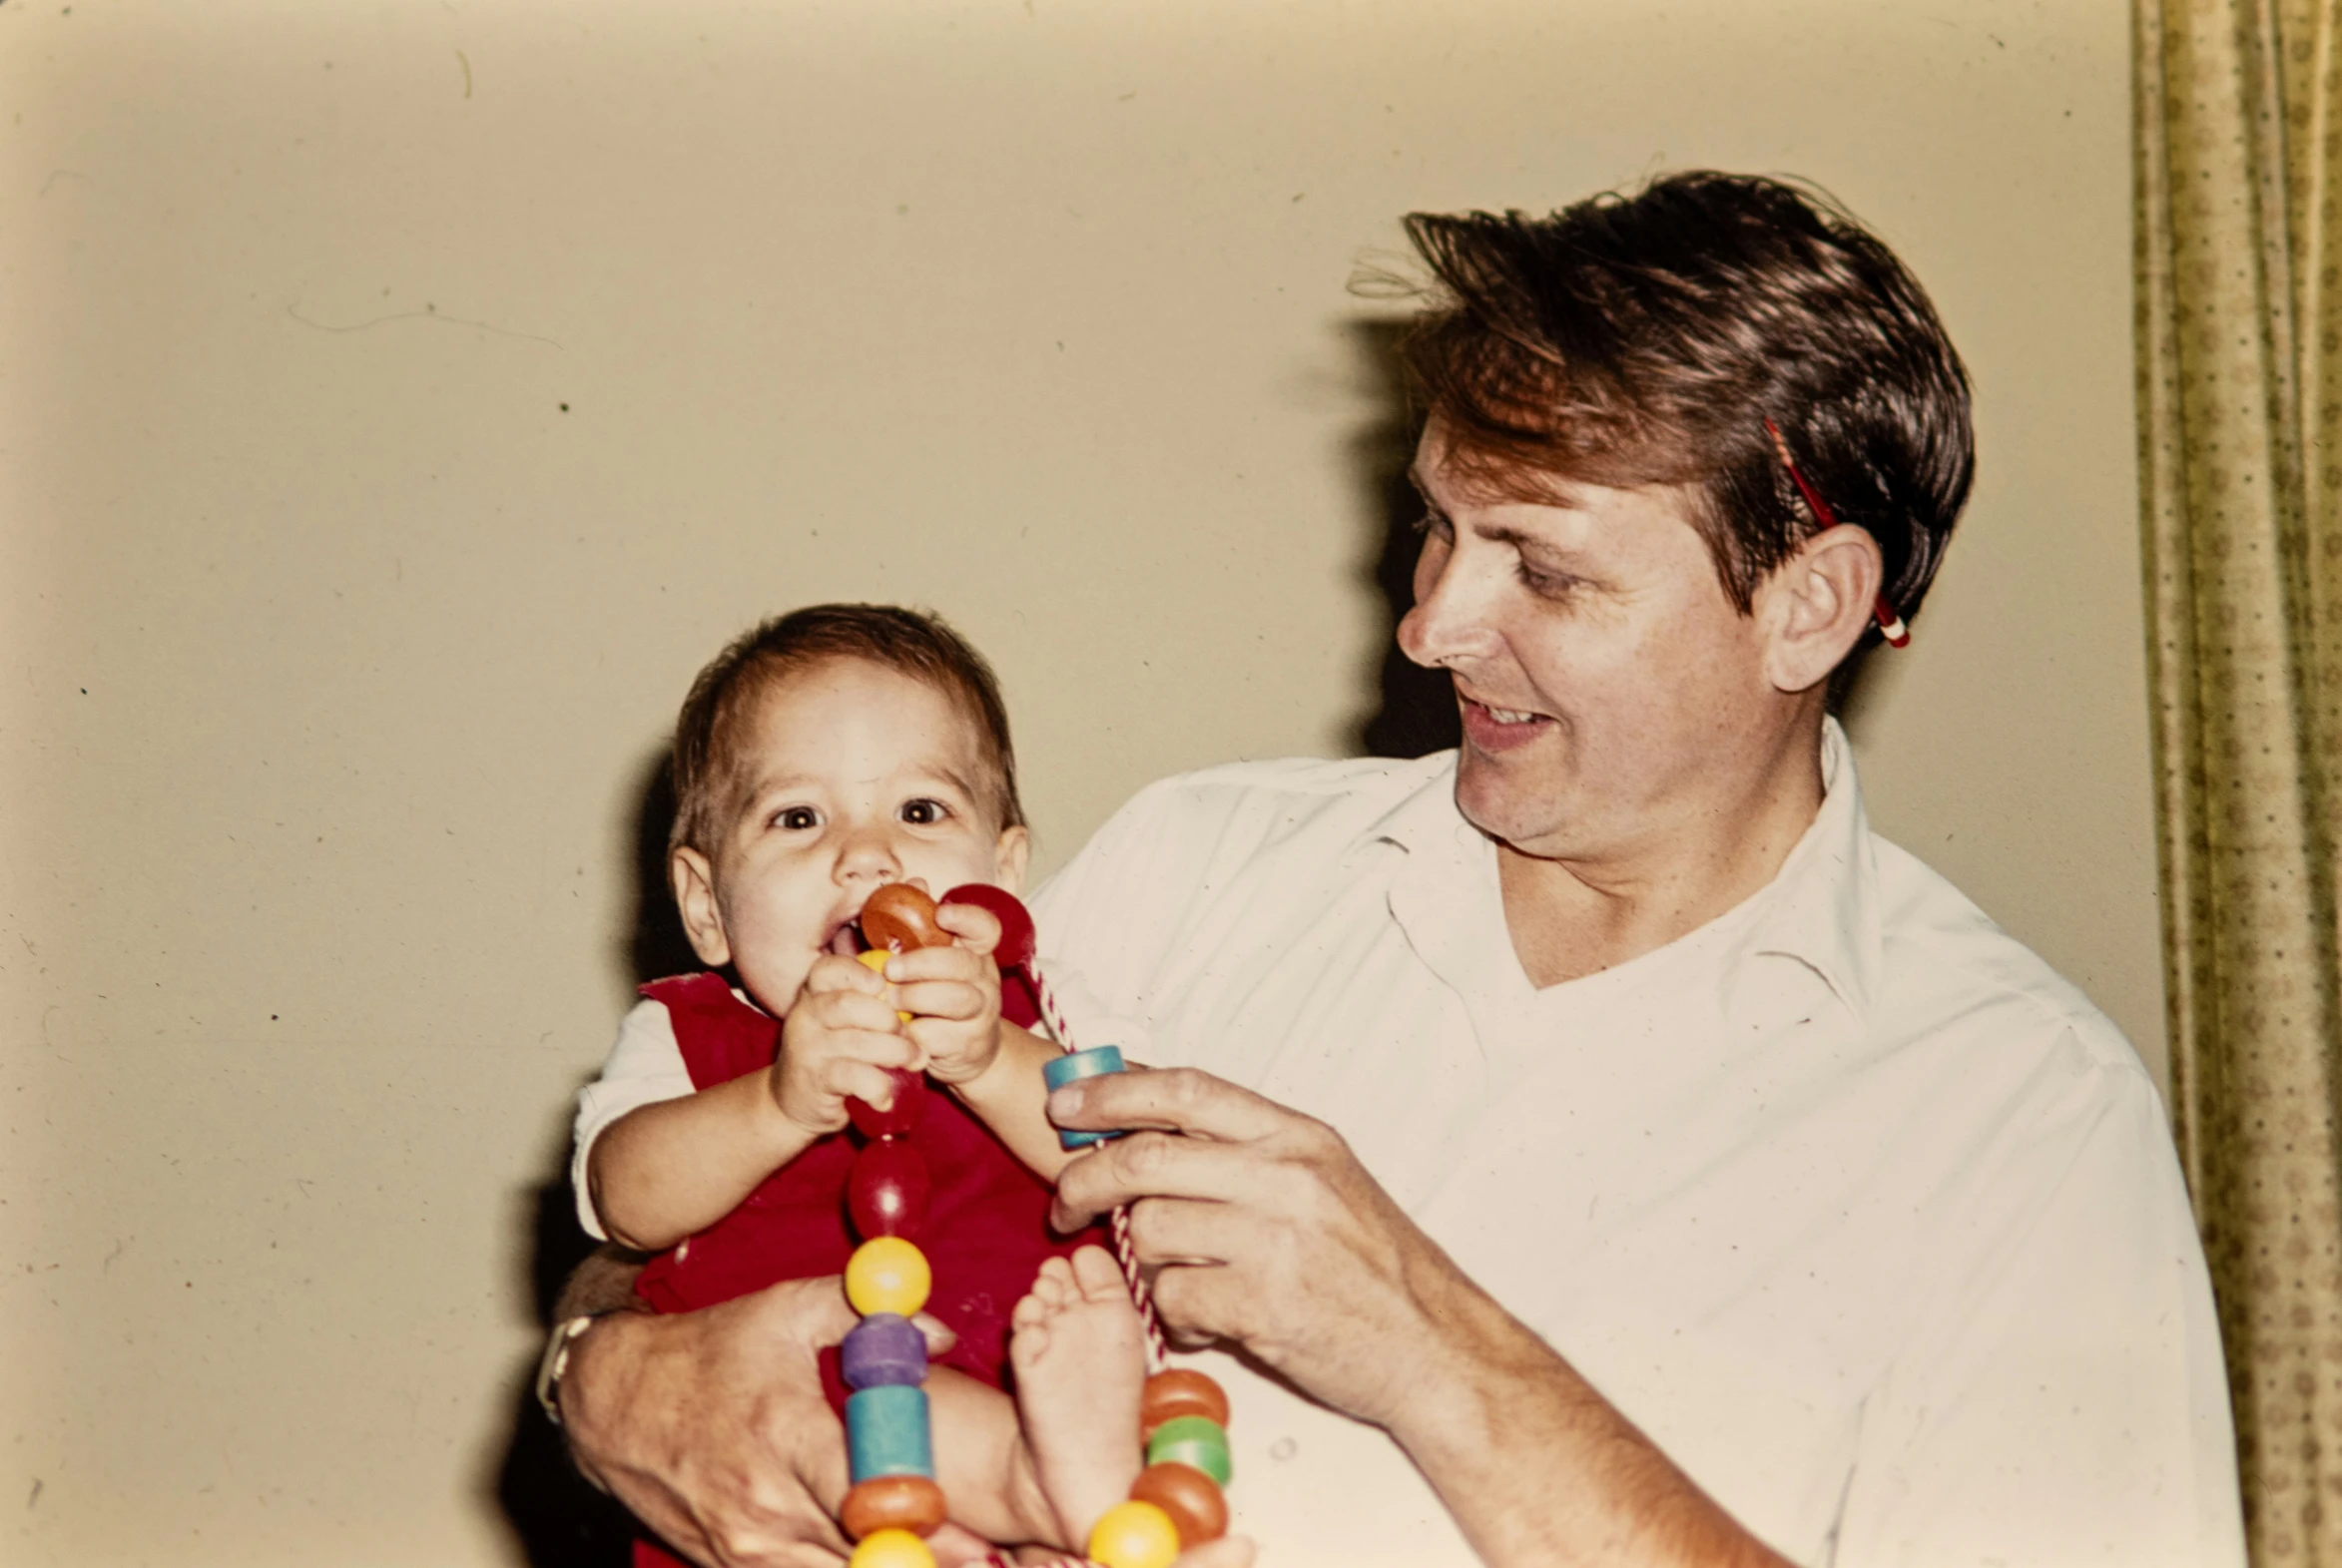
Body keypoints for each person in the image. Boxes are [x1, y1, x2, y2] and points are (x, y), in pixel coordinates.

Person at [544, 173, 2244, 1566]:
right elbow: (740, 1174)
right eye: (1436, 526)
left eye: (1544, 572)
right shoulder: (1201, 865)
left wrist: (1432, 1345)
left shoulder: (2021, 1125)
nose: (1431, 623)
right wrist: (604, 1373)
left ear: (1804, 600)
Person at [563, 605, 1155, 1563]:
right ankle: (1046, 1481)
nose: (870, 855)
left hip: (1029, 1373)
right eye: (799, 818)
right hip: (791, 1447)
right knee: (883, 1399)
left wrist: (990, 1056)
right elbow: (623, 1202)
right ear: (707, 908)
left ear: (1002, 871)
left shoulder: (1043, 1005)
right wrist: (779, 1101)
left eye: (921, 812)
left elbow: (1129, 1157)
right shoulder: (685, 1032)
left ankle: (1057, 1488)